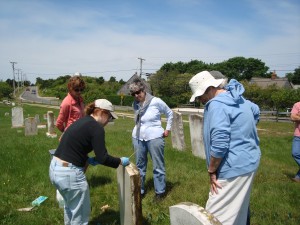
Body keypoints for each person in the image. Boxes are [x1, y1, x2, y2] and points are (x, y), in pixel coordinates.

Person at [189, 71, 261, 225]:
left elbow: (220, 143)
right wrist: (242, 134)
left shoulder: (217, 104)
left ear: (209, 88)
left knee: (213, 218)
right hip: (249, 160)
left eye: (200, 95)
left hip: (232, 167)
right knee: (239, 214)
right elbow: (255, 111)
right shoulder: (236, 97)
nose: (200, 100)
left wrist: (212, 170)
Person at [49, 99, 130, 225]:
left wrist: (88, 159)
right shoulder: (96, 128)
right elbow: (103, 157)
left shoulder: (83, 121)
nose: (109, 121)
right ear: (102, 112)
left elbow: (74, 146)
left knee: (70, 208)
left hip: (55, 169)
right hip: (69, 174)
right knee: (80, 217)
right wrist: (120, 161)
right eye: (109, 117)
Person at [129, 79, 173, 200]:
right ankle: (140, 191)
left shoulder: (156, 101)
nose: (136, 96)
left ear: (144, 90)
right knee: (139, 166)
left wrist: (167, 129)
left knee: (158, 165)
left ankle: (160, 192)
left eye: (138, 92)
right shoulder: (135, 103)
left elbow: (170, 113)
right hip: (138, 137)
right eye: (133, 94)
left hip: (155, 137)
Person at [290, 101, 300, 183]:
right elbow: (293, 117)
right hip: (298, 135)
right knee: (295, 153)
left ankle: (298, 178)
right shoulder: (297, 105)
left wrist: (298, 116)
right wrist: (296, 117)